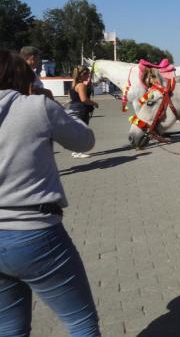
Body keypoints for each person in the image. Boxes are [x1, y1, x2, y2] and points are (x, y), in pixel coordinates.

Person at [0, 50, 101, 336]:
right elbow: (85, 142)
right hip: (35, 233)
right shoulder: (36, 107)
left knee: (9, 329)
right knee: (81, 323)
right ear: (22, 77)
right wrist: (67, 111)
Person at [67, 66, 98, 158]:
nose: (88, 76)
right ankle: (79, 151)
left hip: (73, 107)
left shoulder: (73, 84)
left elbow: (73, 97)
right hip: (81, 108)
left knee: (77, 130)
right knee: (82, 130)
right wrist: (94, 103)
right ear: (81, 75)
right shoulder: (81, 85)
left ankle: (75, 151)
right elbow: (84, 99)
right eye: (87, 74)